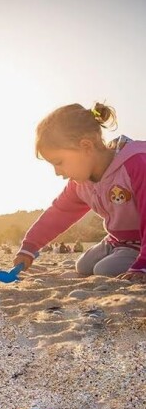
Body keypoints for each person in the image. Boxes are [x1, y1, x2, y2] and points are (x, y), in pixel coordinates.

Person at [13, 102, 146, 282]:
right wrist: (29, 247)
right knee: (83, 265)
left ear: (86, 146)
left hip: (140, 241)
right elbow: (59, 213)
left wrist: (142, 264)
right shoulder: (80, 183)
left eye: (58, 162)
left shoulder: (135, 163)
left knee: (105, 269)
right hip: (117, 240)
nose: (57, 172)